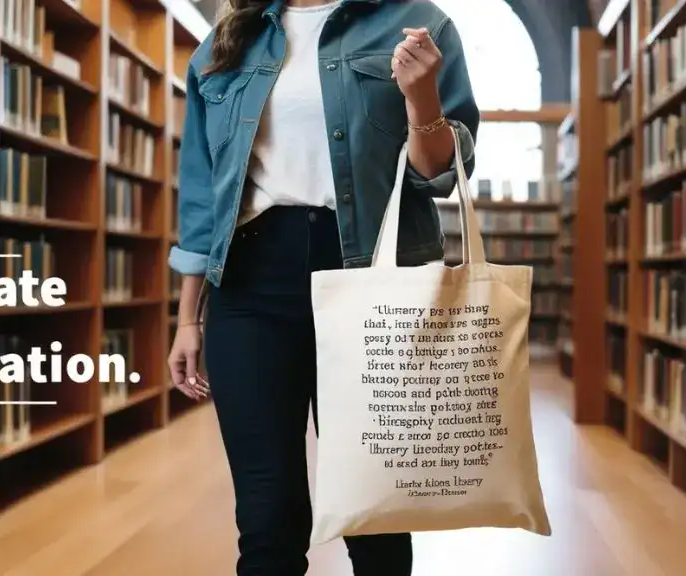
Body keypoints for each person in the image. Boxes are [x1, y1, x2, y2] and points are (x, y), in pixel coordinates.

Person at [167, 0, 478, 574]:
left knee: (375, 513)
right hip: (251, 284)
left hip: (371, 286)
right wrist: (189, 317)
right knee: (266, 516)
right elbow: (202, 192)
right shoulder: (224, 42)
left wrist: (423, 97)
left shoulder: (418, 23)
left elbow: (437, 176)